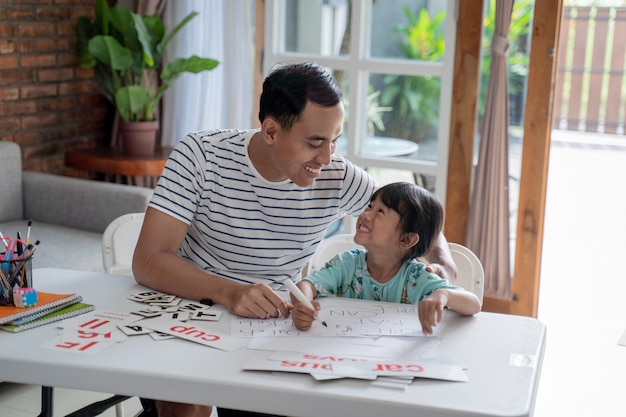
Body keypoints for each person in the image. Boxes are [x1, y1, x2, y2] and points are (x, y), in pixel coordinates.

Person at [132, 62, 458, 417]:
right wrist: (231, 292)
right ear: (271, 131)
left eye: (334, 141)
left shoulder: (336, 175)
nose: (327, 158)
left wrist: (441, 256)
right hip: (191, 312)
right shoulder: (201, 155)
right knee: (187, 406)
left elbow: (412, 211)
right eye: (315, 142)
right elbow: (149, 260)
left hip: (271, 327)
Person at [291, 182, 481, 334]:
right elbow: (306, 286)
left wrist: (444, 294)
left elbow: (473, 304)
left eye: (380, 212)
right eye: (370, 206)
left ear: (407, 239)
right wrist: (303, 305)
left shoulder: (416, 278)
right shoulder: (346, 264)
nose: (366, 214)